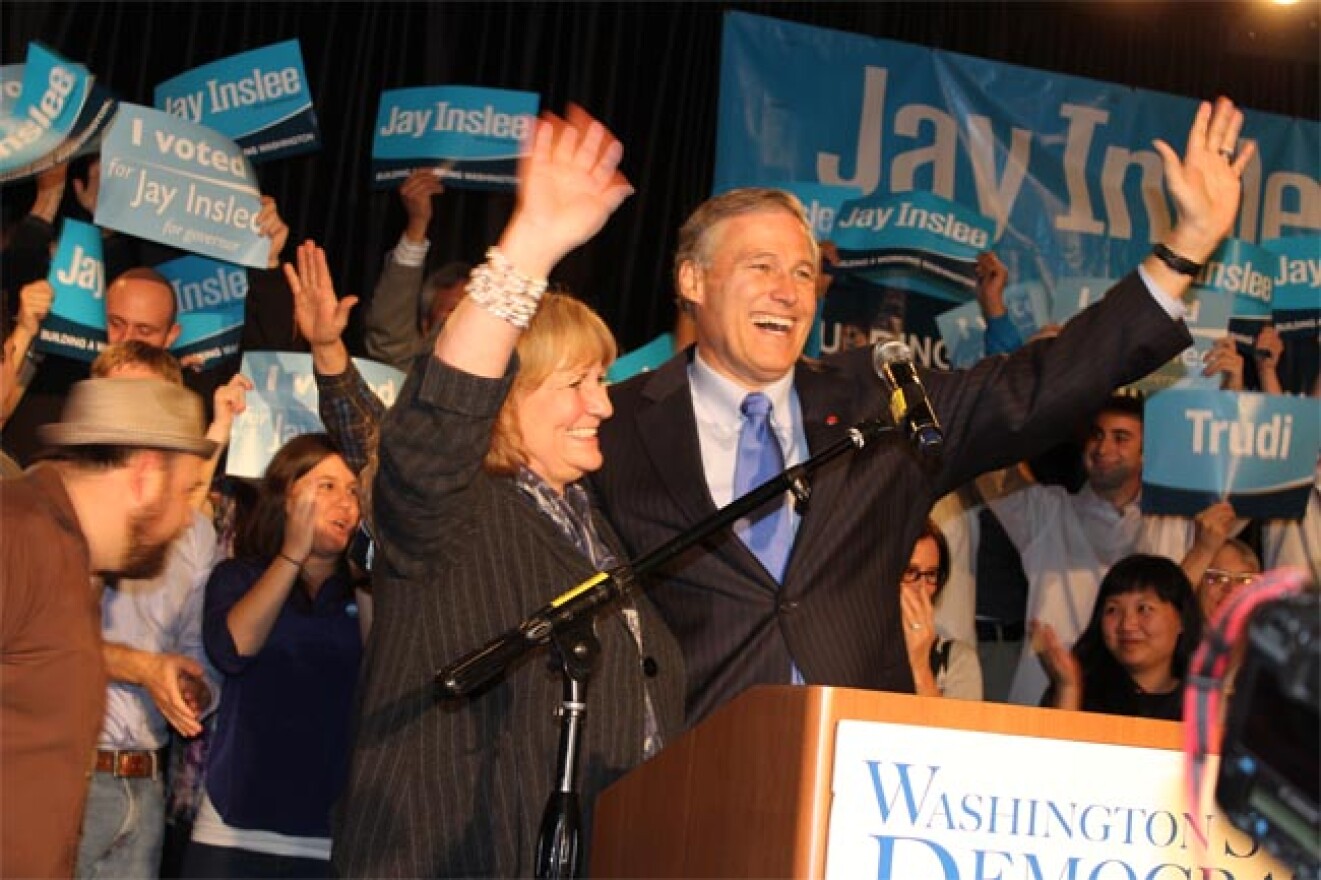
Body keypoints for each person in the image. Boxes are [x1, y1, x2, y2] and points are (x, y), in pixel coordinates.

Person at [591, 96, 1254, 726]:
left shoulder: (881, 398)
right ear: (691, 280)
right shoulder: (614, 425)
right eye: (759, 266)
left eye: (800, 273)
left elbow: (1040, 382)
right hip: (687, 772)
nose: (787, 293)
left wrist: (1184, 246)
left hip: (857, 768)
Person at [332, 107, 684, 878]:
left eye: (604, 379)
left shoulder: (588, 523)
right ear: (505, 397)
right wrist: (530, 248)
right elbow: (441, 412)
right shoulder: (450, 507)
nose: (603, 404)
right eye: (578, 382)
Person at [1, 377, 215, 878]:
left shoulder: (69, 561)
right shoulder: (17, 537)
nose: (188, 518)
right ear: (144, 476)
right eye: (185, 493)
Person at [75, 343, 230, 880]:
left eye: (143, 402)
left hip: (144, 781)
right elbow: (35, 642)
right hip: (60, 774)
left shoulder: (195, 530)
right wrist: (145, 668)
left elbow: (197, 658)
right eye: (114, 400)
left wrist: (192, 690)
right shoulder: (52, 509)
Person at [183, 433, 366, 879]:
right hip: (232, 831)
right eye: (326, 486)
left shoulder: (363, 593)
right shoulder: (238, 576)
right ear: (288, 495)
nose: (344, 502)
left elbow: (383, 666)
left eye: (354, 491)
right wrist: (292, 553)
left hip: (330, 835)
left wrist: (368, 567)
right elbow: (233, 650)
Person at [1033, 554, 1202, 722]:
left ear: (1181, 620)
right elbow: (1055, 748)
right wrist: (1068, 689)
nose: (1127, 624)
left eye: (1144, 608)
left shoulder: (1206, 702)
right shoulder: (1079, 691)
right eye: (1113, 610)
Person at [364, 169, 471, 373]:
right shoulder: (415, 377)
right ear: (425, 325)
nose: (464, 321)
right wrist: (418, 224)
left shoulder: (516, 378)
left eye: (471, 311)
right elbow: (391, 337)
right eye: (453, 310)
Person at [900, 520, 983, 700]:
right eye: (910, 572)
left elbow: (952, 728)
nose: (922, 588)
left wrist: (920, 666)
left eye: (931, 575)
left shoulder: (956, 659)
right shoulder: (852, 646)